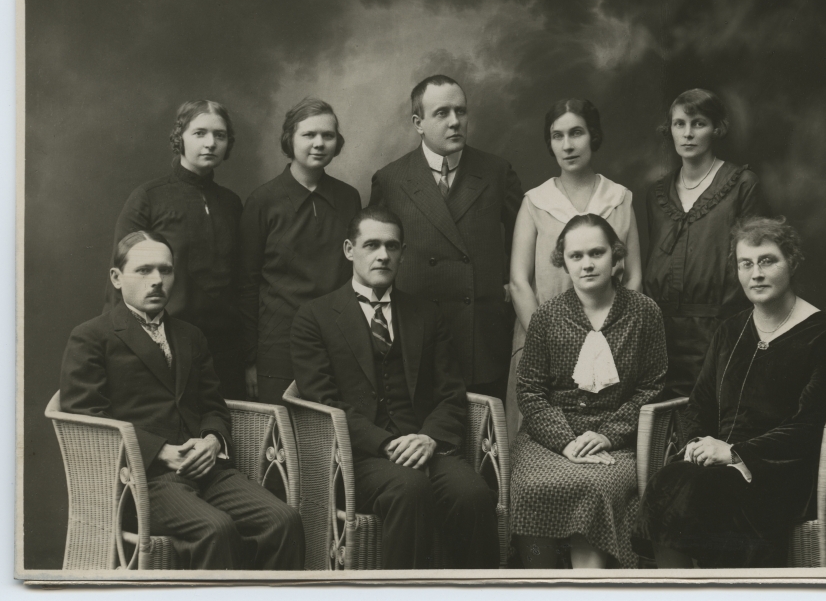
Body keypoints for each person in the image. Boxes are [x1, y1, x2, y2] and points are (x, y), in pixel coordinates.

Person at [61, 231, 305, 570]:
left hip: (208, 471)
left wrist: (212, 441)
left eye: (165, 270)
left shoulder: (190, 336)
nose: (157, 280)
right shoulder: (92, 337)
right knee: (216, 529)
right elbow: (84, 416)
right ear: (117, 278)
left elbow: (213, 405)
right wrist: (159, 451)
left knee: (284, 520)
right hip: (143, 480)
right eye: (144, 270)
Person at [634, 217, 826, 568]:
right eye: (746, 264)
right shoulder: (730, 331)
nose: (757, 274)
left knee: (701, 491)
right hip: (718, 466)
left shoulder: (823, 335)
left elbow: (810, 426)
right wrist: (696, 444)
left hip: (784, 473)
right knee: (668, 481)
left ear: (792, 262)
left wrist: (737, 453)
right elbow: (700, 403)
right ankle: (678, 588)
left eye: (767, 261)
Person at [289, 207, 499, 569]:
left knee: (473, 493)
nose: (383, 255)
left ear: (402, 253)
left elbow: (451, 392)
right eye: (371, 245)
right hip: (357, 457)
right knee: (409, 488)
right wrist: (385, 443)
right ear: (349, 250)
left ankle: (476, 591)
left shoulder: (426, 314)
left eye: (392, 246)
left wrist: (430, 438)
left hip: (422, 446)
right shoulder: (315, 317)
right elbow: (323, 402)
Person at [510, 214, 666, 569]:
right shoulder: (547, 316)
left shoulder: (644, 313)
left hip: (617, 440)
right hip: (549, 438)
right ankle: (541, 585)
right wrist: (565, 441)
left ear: (616, 256)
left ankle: (586, 584)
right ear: (563, 262)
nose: (587, 264)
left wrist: (608, 435)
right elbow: (530, 390)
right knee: (531, 487)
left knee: (594, 486)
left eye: (597, 253)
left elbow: (652, 387)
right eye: (576, 256)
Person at [369, 74, 523, 404]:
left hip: (481, 337)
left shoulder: (496, 171)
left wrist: (509, 283)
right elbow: (373, 259)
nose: (455, 122)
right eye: (442, 113)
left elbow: (523, 239)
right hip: (417, 336)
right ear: (418, 123)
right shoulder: (391, 179)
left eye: (461, 111)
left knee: (485, 430)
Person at [506, 98, 642, 441]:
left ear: (592, 135)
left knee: (604, 440)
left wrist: (614, 336)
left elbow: (634, 276)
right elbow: (519, 281)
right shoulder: (535, 202)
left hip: (610, 342)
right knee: (544, 439)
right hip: (543, 342)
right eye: (558, 136)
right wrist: (549, 343)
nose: (567, 145)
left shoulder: (619, 198)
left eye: (576, 133)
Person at [104, 100, 245, 399]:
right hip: (164, 345)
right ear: (180, 137)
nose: (210, 143)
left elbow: (243, 281)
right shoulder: (149, 198)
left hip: (225, 350)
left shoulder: (232, 204)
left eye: (219, 135)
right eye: (199, 133)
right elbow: (121, 283)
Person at [643, 88, 769, 399]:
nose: (687, 134)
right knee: (662, 418)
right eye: (679, 124)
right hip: (663, 334)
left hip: (718, 331)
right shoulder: (657, 194)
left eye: (698, 124)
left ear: (716, 128)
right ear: (670, 129)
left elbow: (751, 262)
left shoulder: (741, 184)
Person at [238, 97, 361, 405]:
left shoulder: (349, 198)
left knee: (336, 430)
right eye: (309, 135)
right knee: (281, 432)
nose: (319, 143)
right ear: (289, 139)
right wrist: (250, 359)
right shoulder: (263, 201)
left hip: (337, 341)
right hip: (278, 346)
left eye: (328, 135)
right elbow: (246, 284)